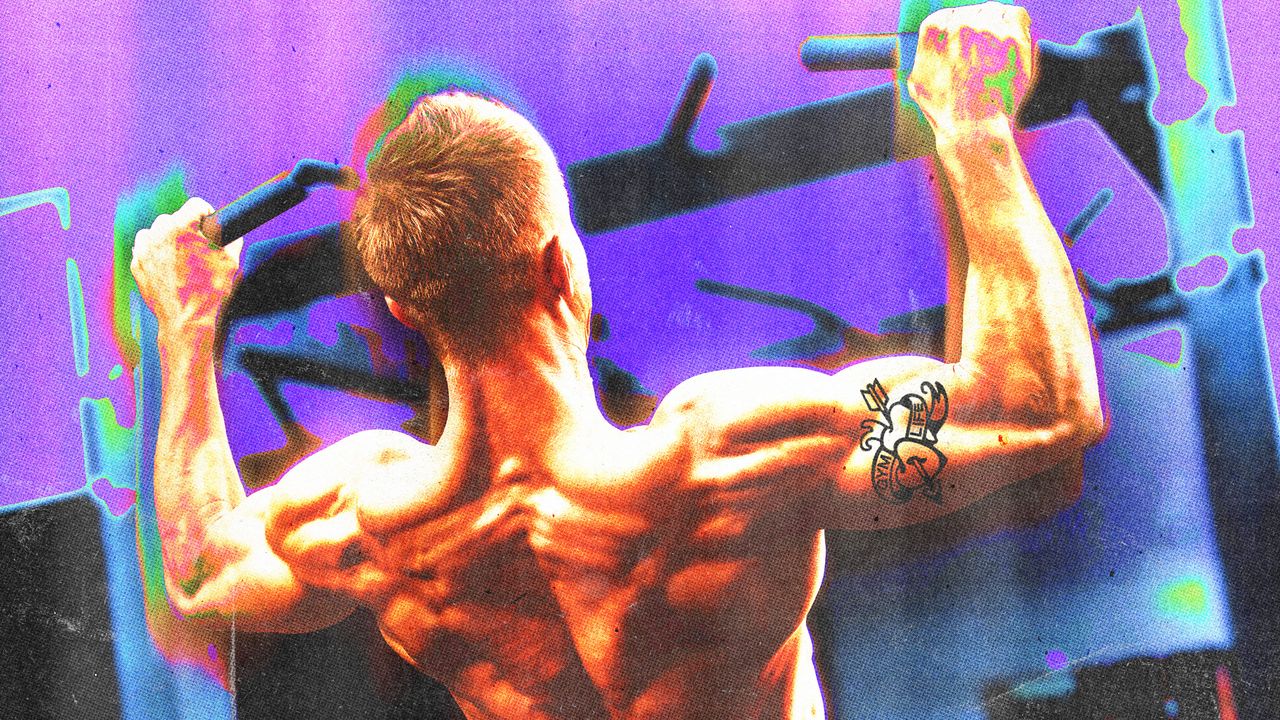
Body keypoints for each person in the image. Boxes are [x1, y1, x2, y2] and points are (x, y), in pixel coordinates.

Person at [129, 4, 1104, 718]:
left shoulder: (368, 523)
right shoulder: (730, 461)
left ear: (403, 309)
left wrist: (186, 323)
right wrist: (973, 126)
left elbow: (203, 572)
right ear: (561, 265)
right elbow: (1037, 409)